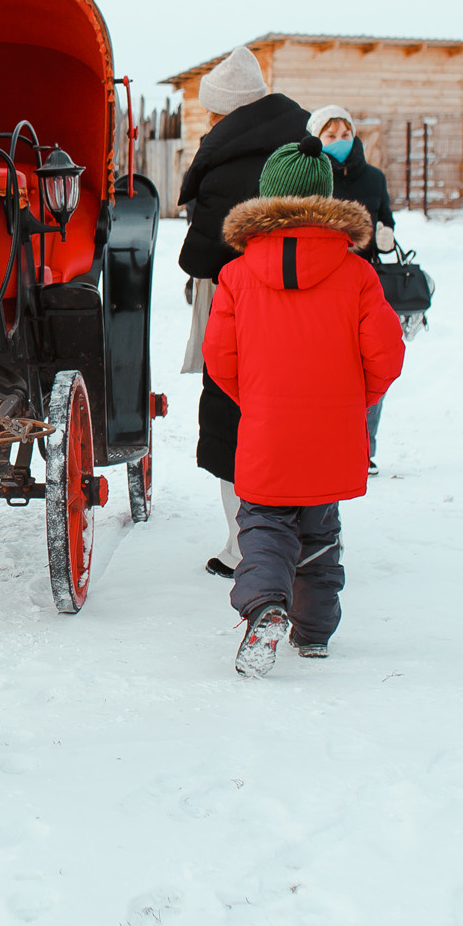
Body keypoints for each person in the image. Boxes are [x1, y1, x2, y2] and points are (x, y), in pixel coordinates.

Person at [202, 138, 405, 676]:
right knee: (320, 532)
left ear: (266, 197)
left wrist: (260, 400)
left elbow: (219, 357)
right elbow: (387, 356)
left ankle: (265, 605)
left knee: (264, 526)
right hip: (332, 433)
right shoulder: (358, 274)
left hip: (267, 429)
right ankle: (313, 632)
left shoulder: (237, 274)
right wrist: (348, 402)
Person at [175, 46, 311, 579]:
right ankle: (307, 540)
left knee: (235, 423)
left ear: (227, 112)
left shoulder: (226, 165)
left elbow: (200, 254)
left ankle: (243, 548)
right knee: (299, 422)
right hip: (304, 311)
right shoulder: (304, 146)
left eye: (211, 111)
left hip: (241, 311)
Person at [307, 104, 399, 471]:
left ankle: (365, 448)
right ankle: (326, 440)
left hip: (366, 283)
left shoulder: (373, 179)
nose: (340, 142)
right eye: (331, 136)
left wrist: (386, 238)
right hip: (323, 284)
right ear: (316, 139)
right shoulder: (311, 177)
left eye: (345, 135)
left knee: (370, 364)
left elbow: (387, 220)